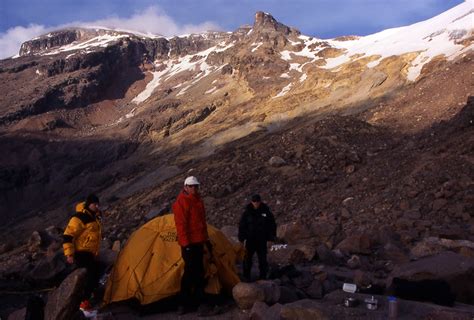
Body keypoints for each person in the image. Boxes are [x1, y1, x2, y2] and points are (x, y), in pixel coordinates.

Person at [172, 176, 213, 315]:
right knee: (190, 272)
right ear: (185, 187)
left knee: (199, 271)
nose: (194, 188)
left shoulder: (198, 201)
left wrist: (205, 239)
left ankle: (198, 302)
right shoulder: (181, 202)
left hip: (198, 241)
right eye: (191, 186)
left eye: (196, 186)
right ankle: (183, 303)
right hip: (189, 244)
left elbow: (201, 222)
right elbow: (181, 226)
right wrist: (186, 244)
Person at [63, 194, 102, 308]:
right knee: (92, 272)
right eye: (94, 204)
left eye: (97, 204)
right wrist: (69, 254)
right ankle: (84, 301)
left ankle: (89, 298)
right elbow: (67, 235)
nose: (97, 206)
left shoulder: (94, 217)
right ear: (88, 204)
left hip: (89, 253)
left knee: (96, 270)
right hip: (81, 252)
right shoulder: (79, 217)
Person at [238, 194, 276, 281]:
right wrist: (241, 238)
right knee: (247, 259)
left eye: (257, 201)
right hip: (250, 239)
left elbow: (272, 224)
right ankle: (246, 276)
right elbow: (242, 225)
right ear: (252, 202)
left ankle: (263, 277)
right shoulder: (247, 213)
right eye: (254, 201)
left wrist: (271, 237)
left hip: (261, 239)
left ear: (260, 201)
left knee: (262, 259)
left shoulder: (266, 212)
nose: (256, 203)